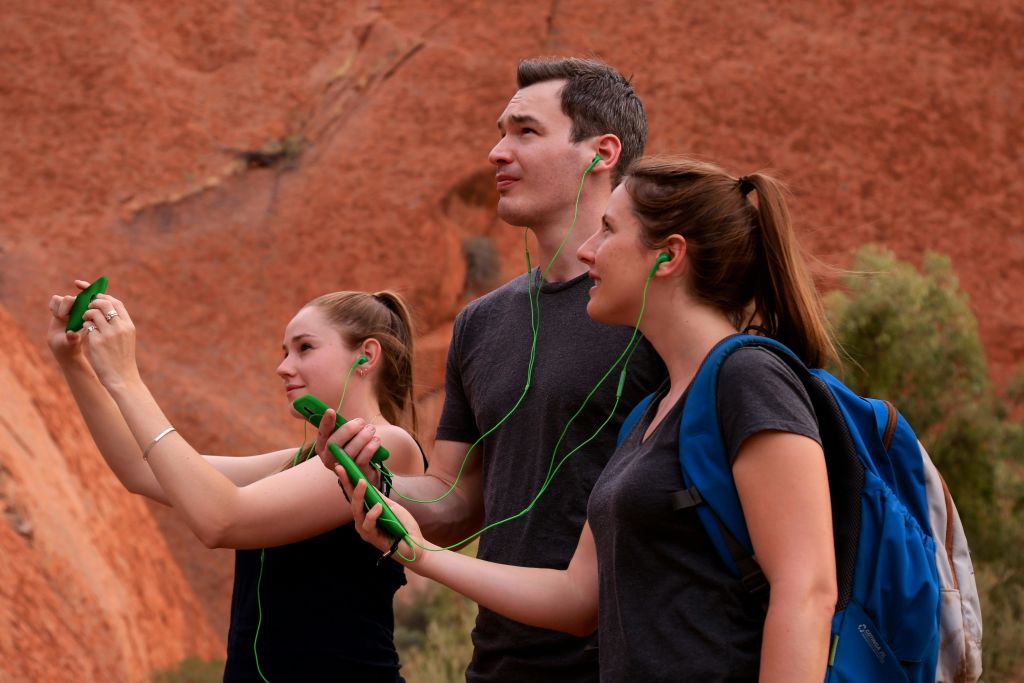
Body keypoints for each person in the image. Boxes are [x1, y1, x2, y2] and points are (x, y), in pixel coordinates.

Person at [341, 156, 839, 682]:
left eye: (608, 230)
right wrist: (417, 552)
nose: (587, 250)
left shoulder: (750, 378)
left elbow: (807, 590)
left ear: (667, 256)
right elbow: (577, 598)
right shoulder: (647, 415)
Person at [319, 57, 664, 682]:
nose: (496, 151)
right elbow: (455, 499)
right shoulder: (482, 323)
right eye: (501, 131)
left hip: (628, 662)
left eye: (525, 132)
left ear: (601, 152)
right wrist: (371, 478)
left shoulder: (655, 309)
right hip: (502, 663)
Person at [46, 286, 424, 682]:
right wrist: (73, 360)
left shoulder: (386, 448)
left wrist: (127, 380)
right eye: (284, 351)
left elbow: (222, 520)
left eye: (304, 348)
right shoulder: (301, 461)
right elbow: (139, 469)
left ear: (365, 356)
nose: (284, 366)